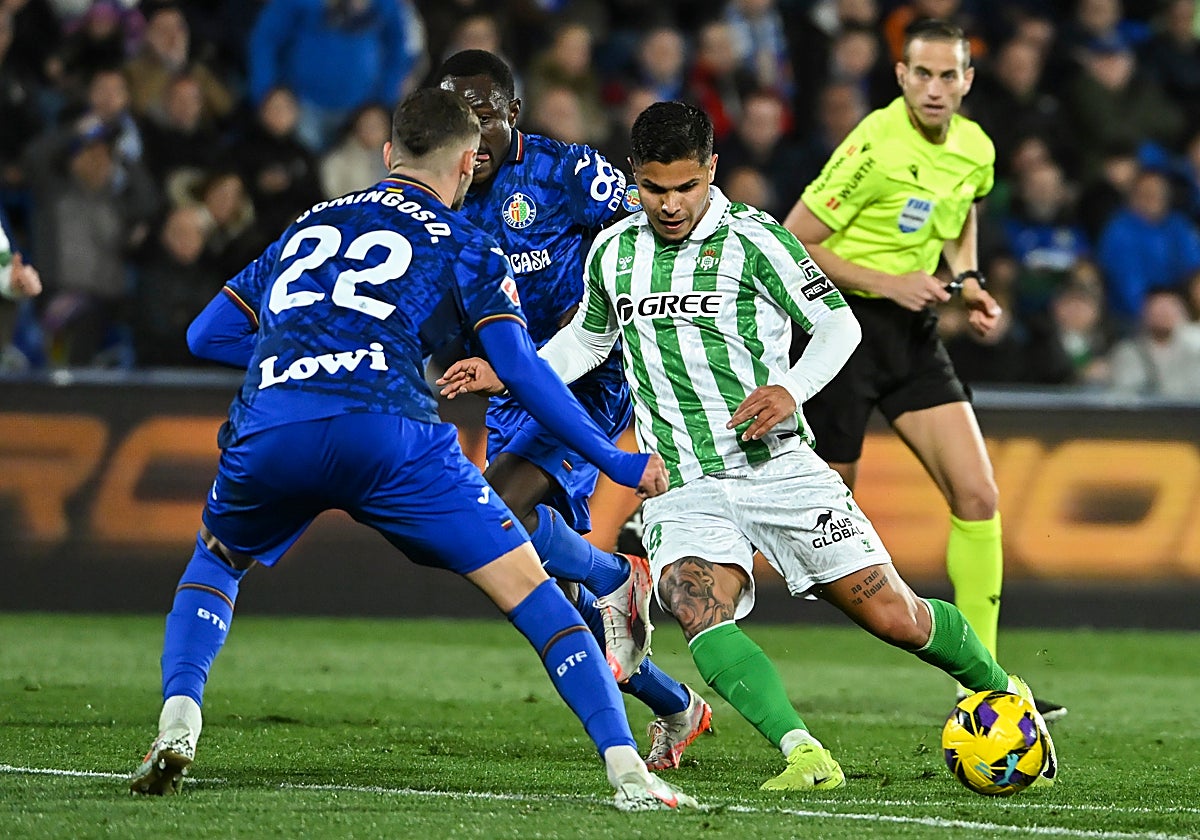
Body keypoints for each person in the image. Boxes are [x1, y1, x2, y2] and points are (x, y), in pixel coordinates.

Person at [438, 100, 1058, 792]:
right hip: (688, 480)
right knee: (690, 599)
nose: (669, 205)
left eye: (684, 187)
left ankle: (1007, 690)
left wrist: (790, 390)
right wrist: (511, 370)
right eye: (653, 188)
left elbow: (836, 325)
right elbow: (588, 340)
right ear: (634, 179)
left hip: (780, 469)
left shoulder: (756, 240)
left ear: (710, 169)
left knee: (897, 617)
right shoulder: (615, 252)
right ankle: (805, 755)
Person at [127, 87, 698, 813]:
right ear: (467, 165)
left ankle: (179, 722)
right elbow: (522, 370)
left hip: (273, 422)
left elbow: (204, 335)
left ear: (390, 154)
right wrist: (618, 461)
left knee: (216, 559)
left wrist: (304, 360)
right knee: (530, 592)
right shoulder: (465, 241)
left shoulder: (310, 222)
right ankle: (626, 770)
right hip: (389, 432)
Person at [781, 19, 1065, 720]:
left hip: (912, 333)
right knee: (822, 533)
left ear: (968, 80)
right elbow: (793, 239)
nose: (935, 89)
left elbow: (961, 214)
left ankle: (986, 685)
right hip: (841, 330)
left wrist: (967, 280)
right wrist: (888, 279)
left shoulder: (976, 148)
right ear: (901, 76)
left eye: (949, 76)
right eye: (922, 75)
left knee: (978, 494)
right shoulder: (874, 145)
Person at [438, 50, 713, 771]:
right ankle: (676, 703)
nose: (474, 131)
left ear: (513, 112)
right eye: (460, 117)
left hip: (579, 383)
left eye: (485, 113)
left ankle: (615, 573)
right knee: (535, 589)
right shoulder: (443, 187)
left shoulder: (567, 173)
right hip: (505, 394)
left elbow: (648, 229)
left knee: (494, 509)